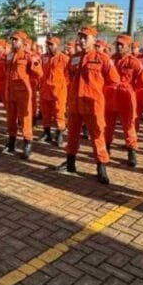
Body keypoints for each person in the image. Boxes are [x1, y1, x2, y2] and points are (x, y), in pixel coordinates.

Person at [56, 26, 120, 184]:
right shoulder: (74, 58)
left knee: (97, 136)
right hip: (75, 103)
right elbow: (69, 74)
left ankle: (101, 167)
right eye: (80, 37)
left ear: (93, 39)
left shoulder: (103, 58)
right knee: (72, 135)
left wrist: (98, 93)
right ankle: (70, 164)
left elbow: (114, 80)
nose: (82, 40)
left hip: (93, 104)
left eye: (85, 37)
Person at [104, 34, 143, 167]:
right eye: (117, 44)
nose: (118, 47)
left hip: (126, 98)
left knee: (129, 126)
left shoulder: (134, 62)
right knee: (108, 125)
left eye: (121, 45)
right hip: (111, 96)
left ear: (129, 47)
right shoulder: (111, 60)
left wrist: (130, 89)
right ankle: (106, 147)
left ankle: (131, 151)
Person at [2, 31, 42, 159]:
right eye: (12, 39)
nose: (13, 41)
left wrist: (33, 66)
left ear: (23, 42)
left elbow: (38, 74)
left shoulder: (28, 56)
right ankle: (11, 142)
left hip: (23, 93)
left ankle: (27, 144)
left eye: (16, 40)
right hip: (10, 91)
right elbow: (6, 70)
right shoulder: (9, 55)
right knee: (10, 118)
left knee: (25, 119)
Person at [38, 36, 69, 146]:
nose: (49, 47)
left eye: (51, 45)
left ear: (57, 46)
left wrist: (61, 86)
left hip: (59, 92)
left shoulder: (64, 59)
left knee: (59, 114)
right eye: (48, 45)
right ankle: (47, 133)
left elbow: (68, 76)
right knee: (45, 113)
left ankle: (59, 134)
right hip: (45, 90)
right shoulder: (43, 57)